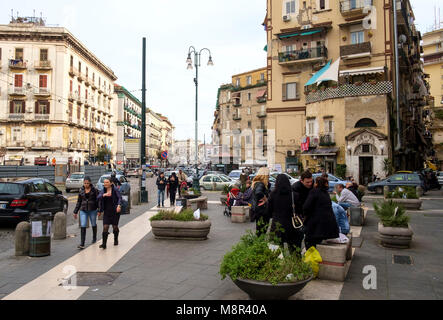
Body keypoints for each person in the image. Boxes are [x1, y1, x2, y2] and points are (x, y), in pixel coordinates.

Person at [268, 174, 304, 252]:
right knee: (295, 252)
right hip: (292, 226)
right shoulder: (294, 195)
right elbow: (300, 210)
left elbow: (269, 211)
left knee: (277, 252)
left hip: (277, 225)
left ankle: (281, 263)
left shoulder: (273, 195)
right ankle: (295, 263)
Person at [303, 176, 339, 249]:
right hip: (327, 224)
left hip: (316, 224)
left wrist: (305, 215)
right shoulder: (325, 193)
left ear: (316, 184)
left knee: (309, 241)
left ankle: (312, 258)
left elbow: (306, 206)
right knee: (317, 241)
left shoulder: (314, 191)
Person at [73, 177, 99, 249]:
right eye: (85, 183)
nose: (86, 184)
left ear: (90, 183)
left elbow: (98, 200)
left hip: (92, 209)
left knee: (93, 223)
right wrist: (75, 211)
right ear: (83, 183)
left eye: (87, 183)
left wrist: (99, 209)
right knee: (83, 225)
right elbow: (79, 202)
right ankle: (82, 243)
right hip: (83, 210)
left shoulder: (95, 190)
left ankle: (94, 238)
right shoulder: (81, 190)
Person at [97, 178, 122, 250]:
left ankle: (116, 239)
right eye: (104, 183)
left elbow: (119, 198)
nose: (105, 184)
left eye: (107, 182)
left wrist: (119, 205)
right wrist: (104, 195)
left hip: (115, 211)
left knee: (115, 227)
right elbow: (98, 198)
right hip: (107, 212)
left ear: (111, 183)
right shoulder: (103, 190)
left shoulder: (115, 190)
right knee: (105, 227)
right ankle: (104, 244)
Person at [251, 167, 271, 236]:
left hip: (259, 210)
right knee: (262, 231)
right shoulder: (260, 184)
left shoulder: (257, 183)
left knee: (260, 231)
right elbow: (258, 192)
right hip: (262, 211)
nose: (269, 176)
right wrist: (265, 198)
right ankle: (260, 245)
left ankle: (259, 244)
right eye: (268, 174)